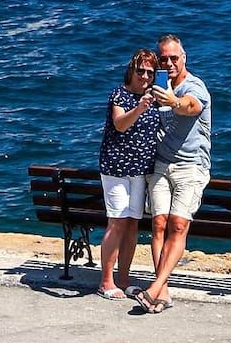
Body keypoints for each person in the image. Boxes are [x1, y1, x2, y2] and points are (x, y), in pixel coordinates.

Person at [132, 34, 212, 314]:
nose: (168, 63)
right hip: (161, 166)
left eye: (173, 58)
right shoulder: (157, 88)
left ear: (184, 57)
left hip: (191, 167)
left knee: (178, 225)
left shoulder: (194, 86)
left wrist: (173, 101)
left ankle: (155, 287)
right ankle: (162, 292)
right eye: (163, 59)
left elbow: (193, 106)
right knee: (159, 225)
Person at [97, 49, 159, 298]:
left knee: (132, 223)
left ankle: (123, 278)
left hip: (140, 170)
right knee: (117, 221)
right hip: (117, 169)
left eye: (150, 73)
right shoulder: (120, 94)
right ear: (131, 70)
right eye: (140, 70)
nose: (145, 76)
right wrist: (140, 108)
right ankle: (106, 281)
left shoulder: (155, 96)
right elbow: (120, 124)